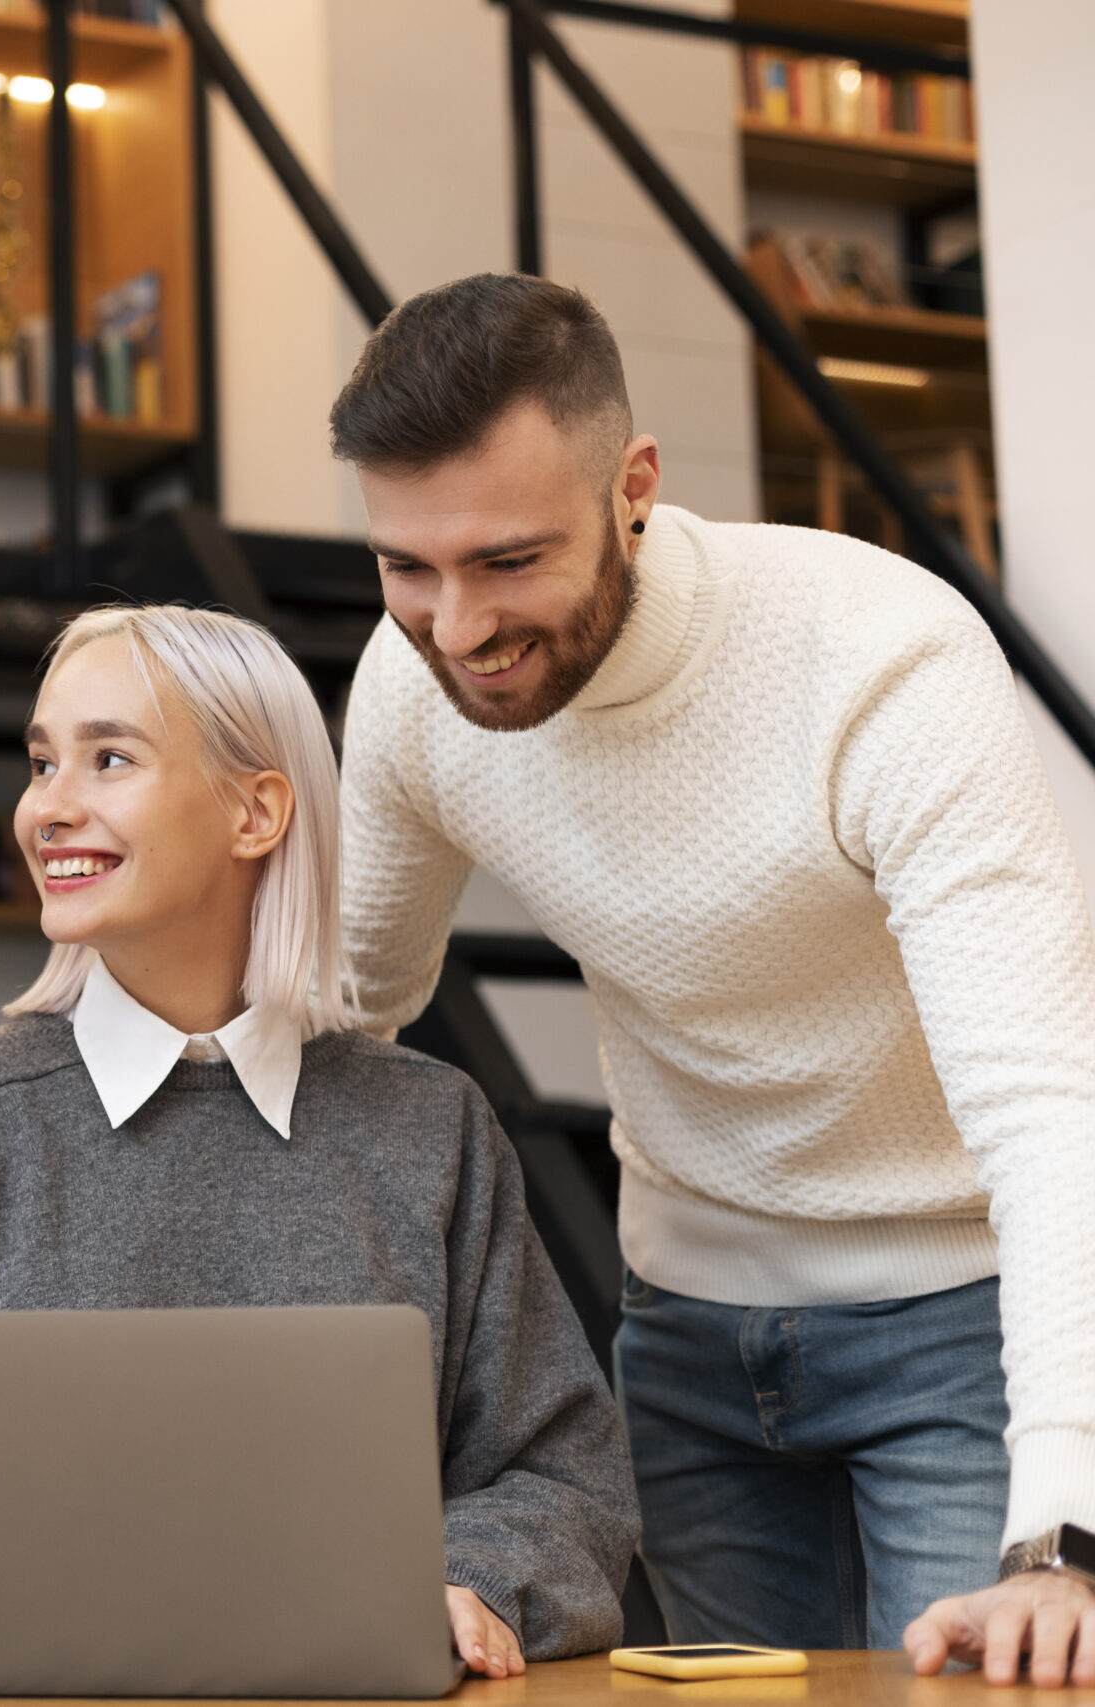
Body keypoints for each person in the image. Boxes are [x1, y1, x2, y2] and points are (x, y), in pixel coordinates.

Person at [331, 273, 1095, 1685]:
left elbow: (1051, 1109)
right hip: (683, 1332)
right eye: (407, 567)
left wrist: (1066, 1525)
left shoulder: (881, 659)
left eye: (507, 560)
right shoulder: (411, 689)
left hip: (961, 1317)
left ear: (633, 485)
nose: (455, 627)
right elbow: (338, 1019)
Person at [0, 604, 640, 1674]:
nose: (48, 808)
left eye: (107, 758)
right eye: (40, 762)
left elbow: (564, 1482)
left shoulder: (430, 1129)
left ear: (255, 812)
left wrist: (462, 1580)